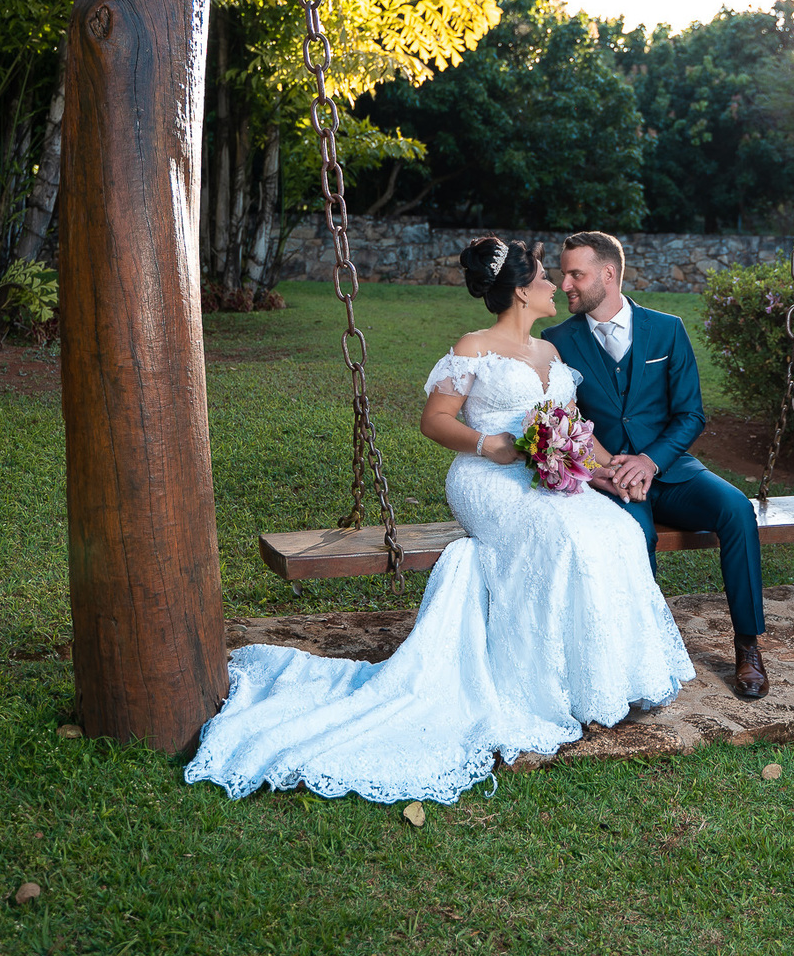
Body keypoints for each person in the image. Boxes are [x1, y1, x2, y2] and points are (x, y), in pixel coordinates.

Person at [184, 236, 693, 805]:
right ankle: (541, 686)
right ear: (523, 291)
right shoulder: (473, 347)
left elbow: (576, 431)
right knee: (563, 539)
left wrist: (610, 468)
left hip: (542, 476)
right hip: (487, 478)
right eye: (547, 277)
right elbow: (435, 420)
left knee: (618, 529)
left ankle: (602, 679)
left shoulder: (551, 356)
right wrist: (489, 443)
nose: (556, 285)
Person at [546, 230, 769, 699]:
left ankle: (748, 644)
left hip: (672, 470)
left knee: (736, 510)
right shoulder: (557, 341)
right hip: (608, 479)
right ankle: (641, 654)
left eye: (574, 273)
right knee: (635, 536)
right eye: (562, 273)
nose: (563, 282)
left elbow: (691, 414)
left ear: (608, 275)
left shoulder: (667, 329)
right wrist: (607, 470)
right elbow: (563, 419)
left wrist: (651, 460)